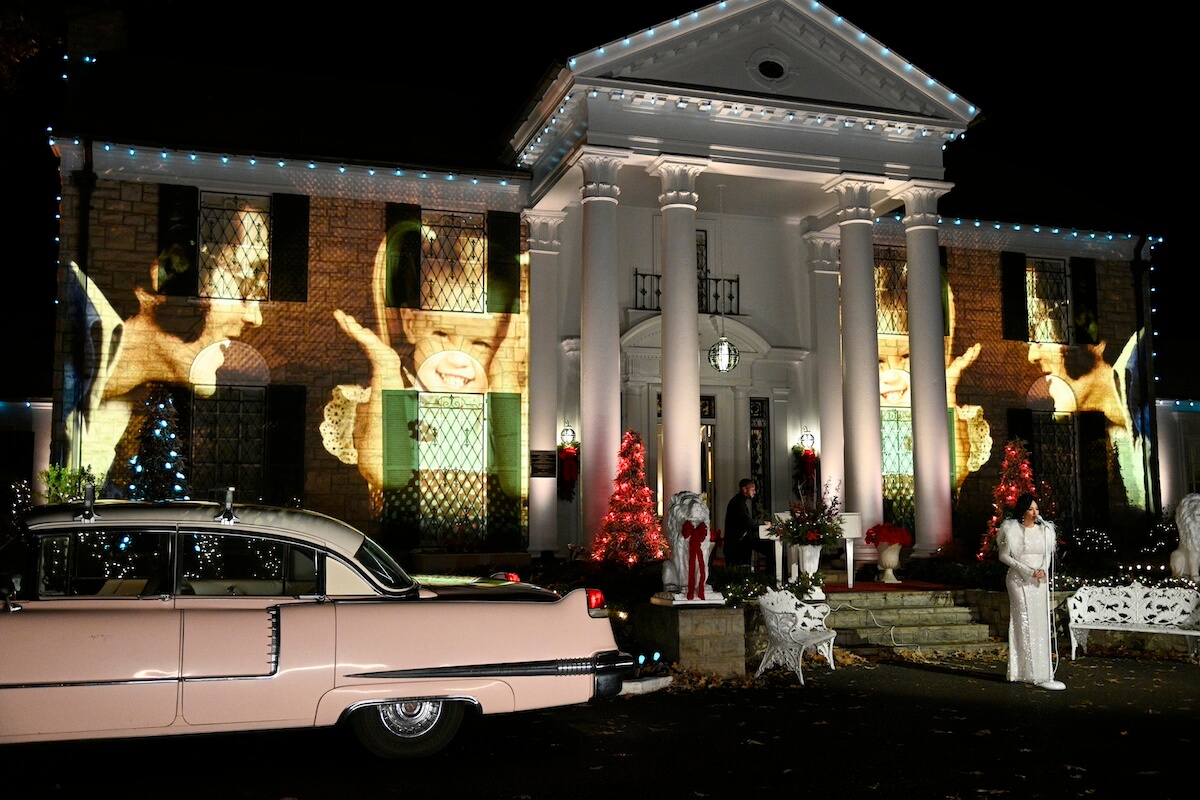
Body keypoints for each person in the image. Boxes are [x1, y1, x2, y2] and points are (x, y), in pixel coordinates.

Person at [63, 217, 267, 494]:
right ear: (167, 273)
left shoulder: (110, 408)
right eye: (243, 282)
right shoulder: (63, 321)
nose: (255, 318)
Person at [997, 493, 1065, 690]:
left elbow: (1048, 554)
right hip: (1018, 580)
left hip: (1039, 581)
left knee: (1039, 622)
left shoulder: (1045, 531)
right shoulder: (1012, 530)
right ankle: (1024, 670)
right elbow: (1003, 556)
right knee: (1024, 620)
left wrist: (1043, 569)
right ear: (1023, 511)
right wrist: (1027, 570)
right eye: (1030, 509)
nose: (1035, 513)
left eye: (1037, 509)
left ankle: (1043, 670)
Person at [722, 479, 771, 570]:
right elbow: (746, 521)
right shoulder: (738, 503)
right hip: (738, 544)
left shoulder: (738, 501)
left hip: (739, 542)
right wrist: (761, 525)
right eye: (752, 489)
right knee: (770, 550)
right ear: (744, 489)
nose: (754, 492)